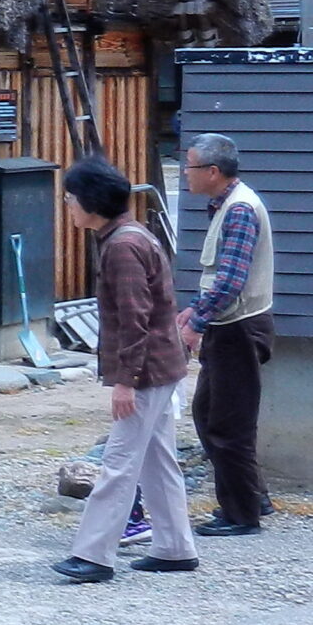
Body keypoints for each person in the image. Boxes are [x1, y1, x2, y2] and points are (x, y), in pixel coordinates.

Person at [53, 156, 198, 583]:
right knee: (158, 460)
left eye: (71, 199)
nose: (69, 206)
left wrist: (125, 382)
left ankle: (94, 555)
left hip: (147, 371)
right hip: (161, 365)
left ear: (91, 202)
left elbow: (135, 317)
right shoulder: (130, 236)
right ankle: (174, 547)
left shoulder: (121, 246)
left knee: (119, 461)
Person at [178, 131, 275, 537]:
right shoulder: (227, 204)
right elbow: (221, 278)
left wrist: (194, 324)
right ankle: (253, 496)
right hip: (229, 324)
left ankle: (242, 514)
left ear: (213, 172)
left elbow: (231, 280)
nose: (185, 173)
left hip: (237, 326)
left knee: (229, 424)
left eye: (190, 167)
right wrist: (197, 311)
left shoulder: (238, 210)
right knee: (207, 413)